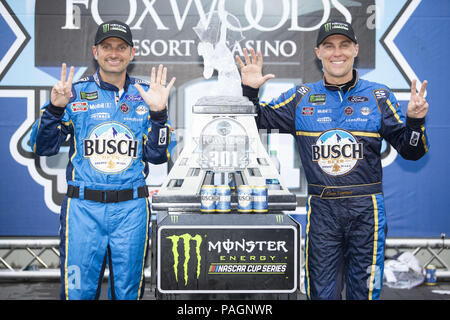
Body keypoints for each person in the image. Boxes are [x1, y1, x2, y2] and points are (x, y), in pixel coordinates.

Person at [236, 20, 429, 300]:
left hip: (367, 209)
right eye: (329, 46)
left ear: (355, 50)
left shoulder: (378, 96)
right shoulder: (301, 97)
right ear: (318, 52)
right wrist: (250, 92)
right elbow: (254, 122)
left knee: (364, 292)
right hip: (323, 209)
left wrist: (415, 121)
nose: (336, 53)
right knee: (321, 293)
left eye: (344, 45)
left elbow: (413, 151)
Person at [30, 20, 175, 300]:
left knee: (128, 294)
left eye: (121, 47)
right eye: (107, 46)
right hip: (84, 208)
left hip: (132, 209)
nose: (114, 53)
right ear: (95, 51)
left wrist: (158, 114)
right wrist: (54, 110)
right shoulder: (74, 93)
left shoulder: (147, 94)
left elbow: (158, 156)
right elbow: (42, 147)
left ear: (132, 53)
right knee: (78, 293)